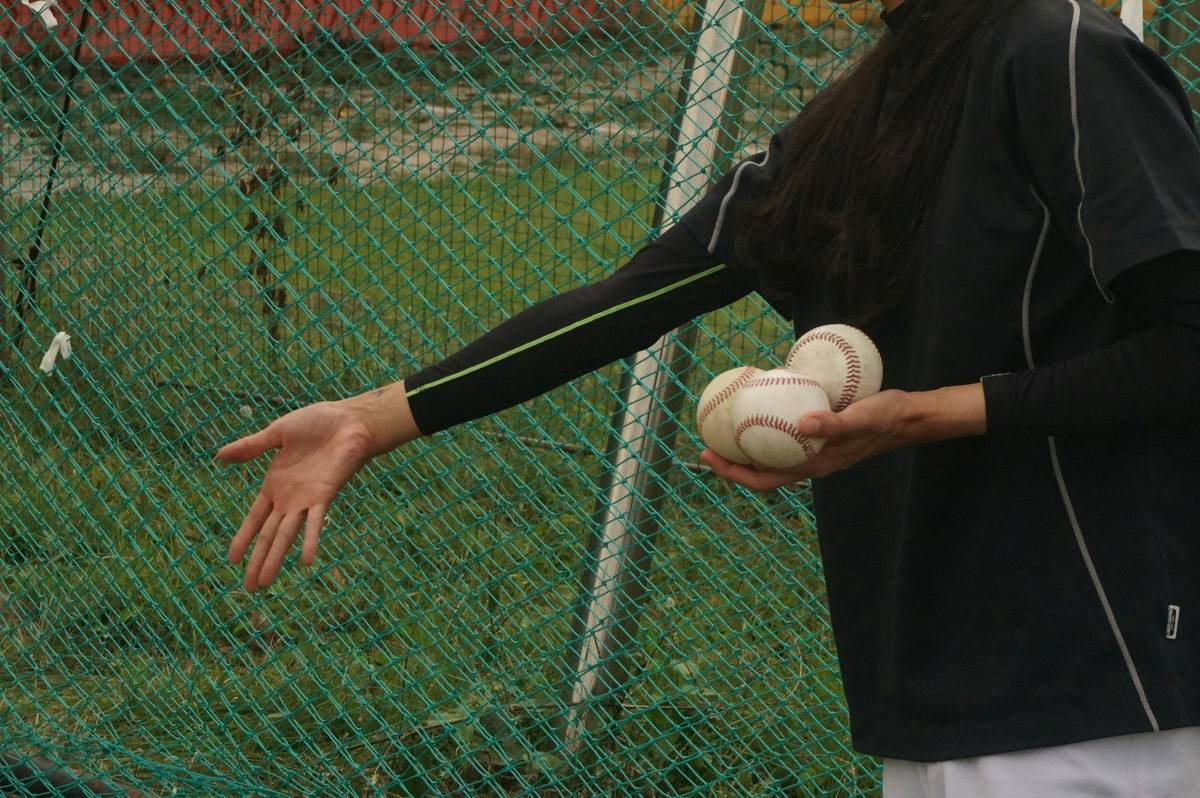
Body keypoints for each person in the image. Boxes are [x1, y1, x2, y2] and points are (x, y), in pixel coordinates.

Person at [216, 0, 1200, 794]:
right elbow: (633, 298)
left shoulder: (1061, 51)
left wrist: (921, 414)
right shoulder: (858, 111)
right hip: (927, 670)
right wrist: (373, 419)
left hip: (1093, 667)